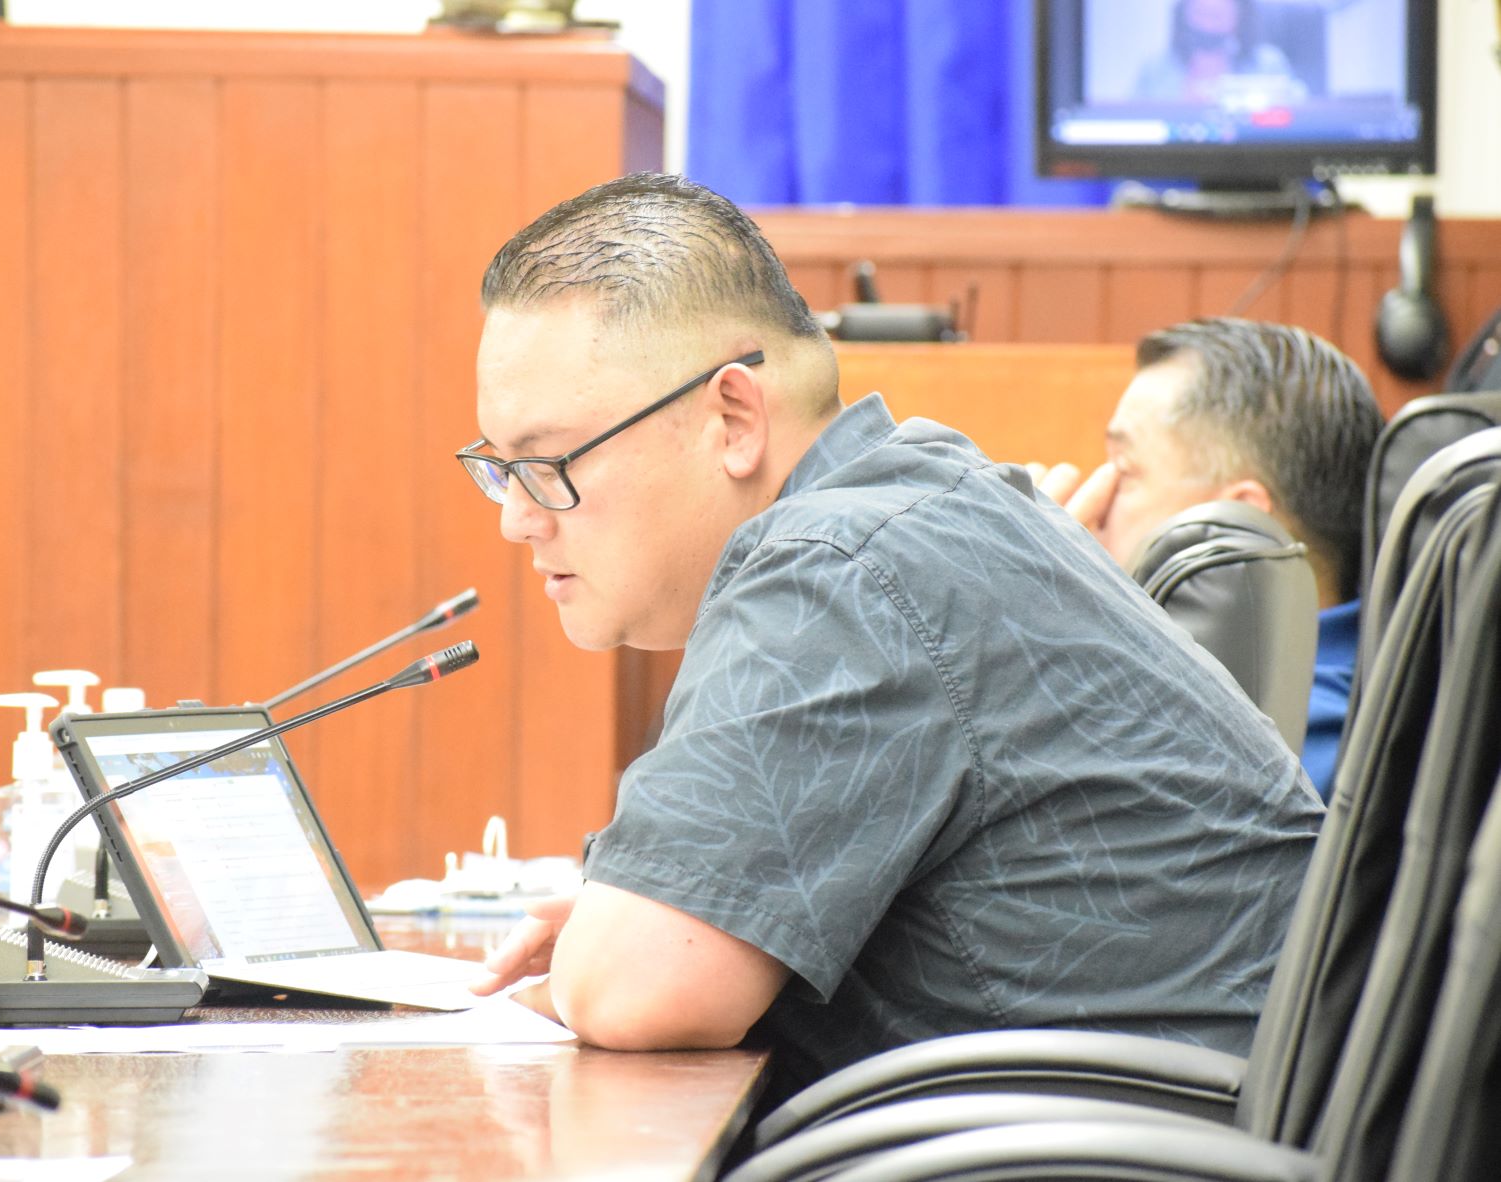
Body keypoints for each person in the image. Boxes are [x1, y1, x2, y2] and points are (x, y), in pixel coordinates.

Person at [456, 174, 1321, 1107]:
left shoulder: (834, 563)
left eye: (545, 464)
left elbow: (638, 988)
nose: (516, 520)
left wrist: (608, 951)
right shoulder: (927, 499)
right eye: (498, 469)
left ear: (732, 418)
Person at [1029, 319, 1384, 796]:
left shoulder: (1294, 734)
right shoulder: (1369, 668)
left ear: (1239, 523)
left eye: (1124, 471)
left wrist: (1036, 621)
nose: (1097, 502)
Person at [1133, 0, 1302, 105]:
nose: (1207, 26)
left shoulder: (1268, 64)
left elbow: (1301, 108)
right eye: (1201, 14)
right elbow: (1138, 118)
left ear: (1239, 17)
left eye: (1217, 16)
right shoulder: (1157, 68)